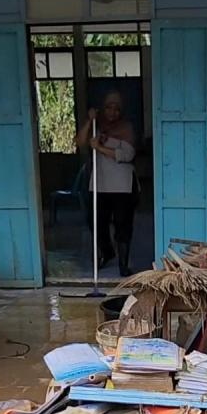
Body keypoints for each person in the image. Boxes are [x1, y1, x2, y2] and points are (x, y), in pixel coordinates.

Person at [75, 89, 137, 277]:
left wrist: (100, 148)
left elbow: (127, 155)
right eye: (108, 108)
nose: (112, 112)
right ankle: (107, 252)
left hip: (123, 186)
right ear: (102, 109)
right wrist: (90, 120)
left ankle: (123, 264)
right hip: (100, 183)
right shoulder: (96, 127)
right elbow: (79, 142)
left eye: (116, 108)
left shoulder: (126, 128)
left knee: (122, 225)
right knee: (97, 223)